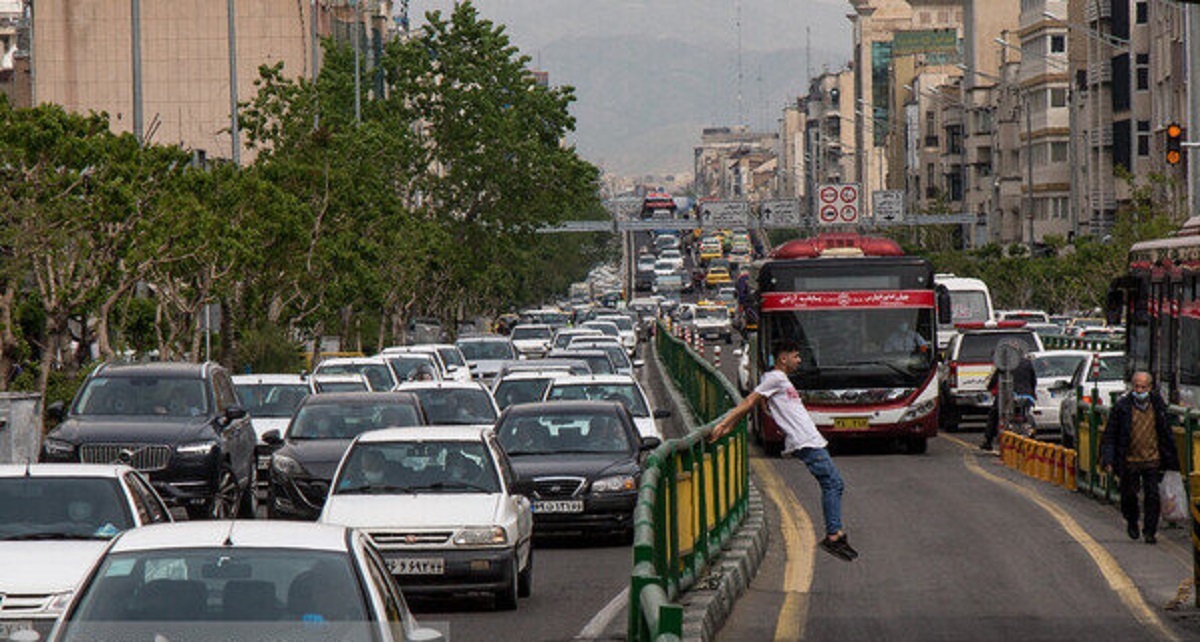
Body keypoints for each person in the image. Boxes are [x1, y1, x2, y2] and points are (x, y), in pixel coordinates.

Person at [709, 339, 858, 561]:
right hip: (805, 441)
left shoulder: (778, 380)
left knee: (833, 483)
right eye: (796, 356)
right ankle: (833, 535)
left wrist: (734, 421)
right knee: (833, 483)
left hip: (810, 440)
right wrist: (725, 424)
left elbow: (760, 400)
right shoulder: (776, 378)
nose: (799, 361)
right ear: (783, 358)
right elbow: (750, 400)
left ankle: (835, 533)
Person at [1100, 371, 1179, 544]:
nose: (1139, 390)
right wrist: (1108, 460)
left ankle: (1150, 531)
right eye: (1136, 386)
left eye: (1143, 387)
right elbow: (1110, 435)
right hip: (1129, 460)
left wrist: (1172, 461)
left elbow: (1166, 434)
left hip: (1152, 459)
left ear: (1150, 388)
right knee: (1129, 496)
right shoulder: (1122, 407)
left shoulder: (1158, 406)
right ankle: (1132, 521)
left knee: (1152, 496)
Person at [980, 342, 1037, 451]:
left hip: (1008, 395)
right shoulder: (1027, 363)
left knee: (994, 414)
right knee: (1026, 413)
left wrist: (989, 387)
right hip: (1026, 395)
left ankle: (988, 440)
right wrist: (1032, 392)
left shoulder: (1004, 364)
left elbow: (994, 380)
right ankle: (1031, 437)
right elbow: (1033, 380)